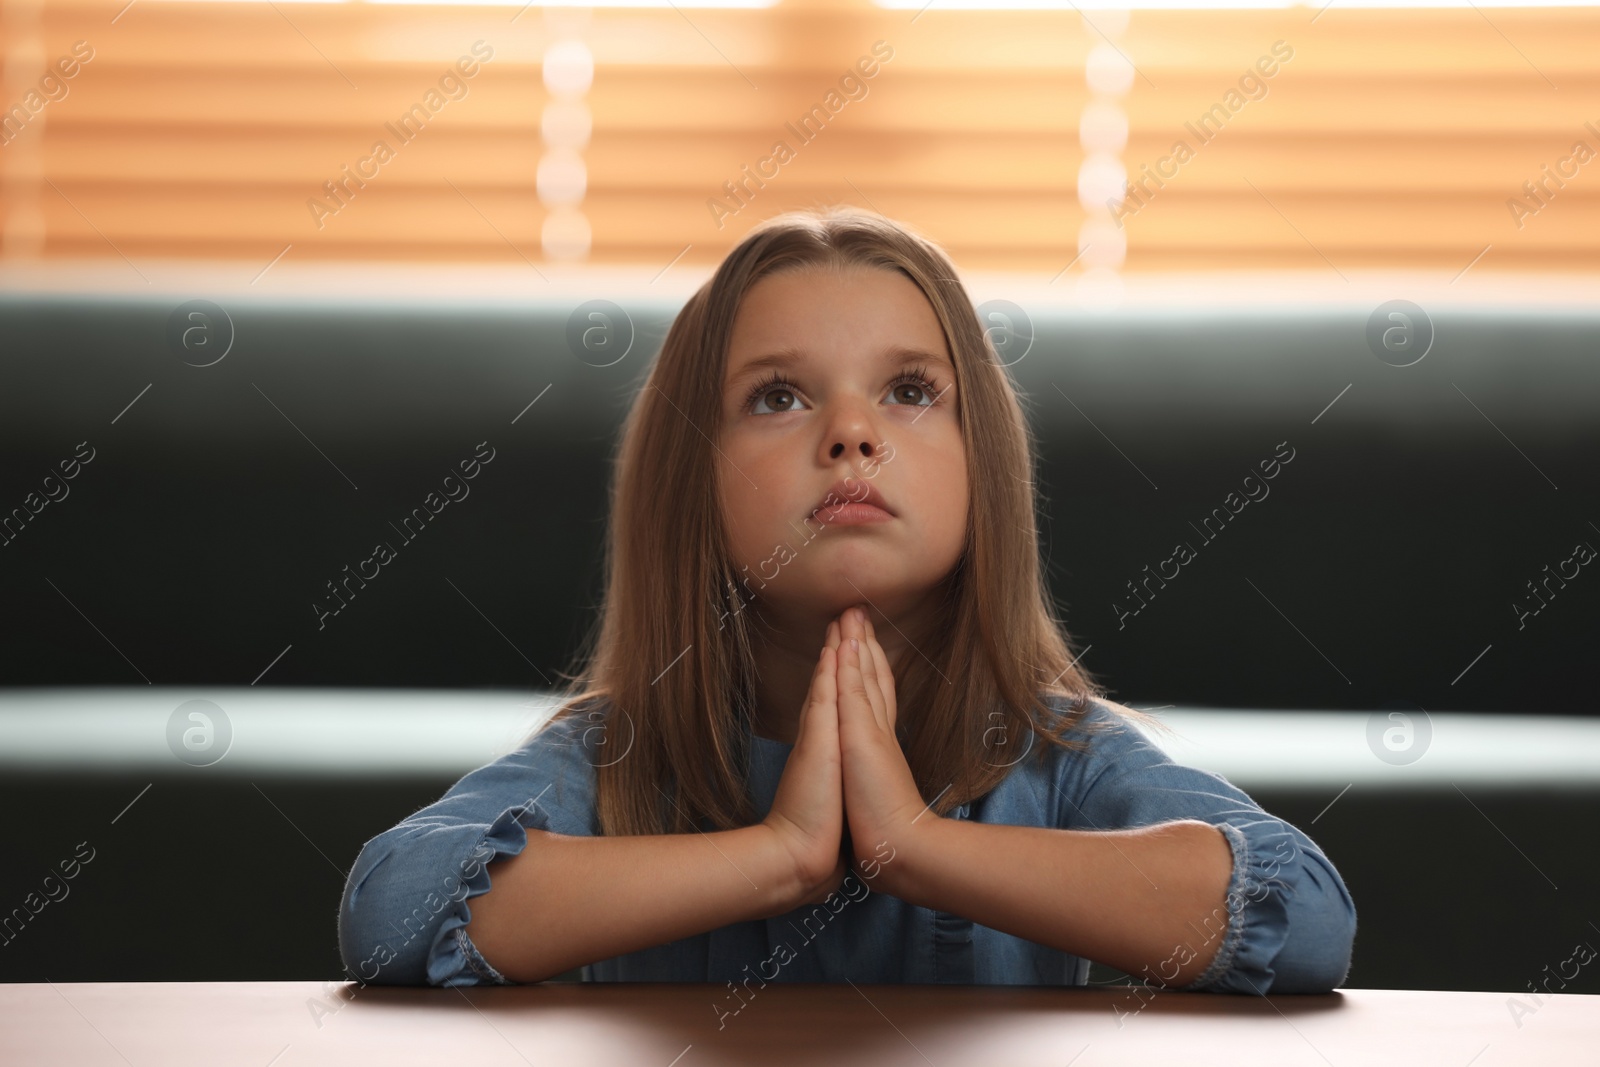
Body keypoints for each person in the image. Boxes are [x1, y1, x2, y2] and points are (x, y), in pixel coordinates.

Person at [336, 207, 1356, 997]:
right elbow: (391, 909)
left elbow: (1303, 914)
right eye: (778, 396)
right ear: (690, 482)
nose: (851, 433)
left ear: (982, 463)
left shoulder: (1056, 757)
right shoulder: (618, 755)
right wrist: (778, 858)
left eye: (909, 391)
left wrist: (916, 845)